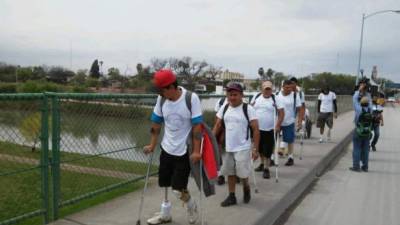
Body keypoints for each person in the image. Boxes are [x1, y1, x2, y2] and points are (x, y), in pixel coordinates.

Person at [144, 69, 202, 224]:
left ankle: (191, 206)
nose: (161, 94)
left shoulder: (191, 98)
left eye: (162, 90)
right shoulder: (161, 99)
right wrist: (152, 145)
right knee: (164, 184)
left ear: (171, 87)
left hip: (183, 151)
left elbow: (197, 127)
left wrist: (197, 151)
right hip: (166, 148)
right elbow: (156, 123)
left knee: (177, 188)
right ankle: (165, 214)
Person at [212, 82, 260, 207]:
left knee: (242, 174)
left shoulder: (248, 109)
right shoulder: (225, 107)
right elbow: (217, 125)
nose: (232, 97)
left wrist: (255, 148)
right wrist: (211, 140)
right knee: (230, 172)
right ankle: (232, 196)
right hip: (228, 147)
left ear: (241, 95)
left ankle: (246, 187)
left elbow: (255, 129)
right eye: (229, 94)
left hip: (243, 147)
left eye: (235, 95)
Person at [250, 81, 284, 179]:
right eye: (266, 89)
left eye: (269, 89)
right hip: (257, 129)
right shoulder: (256, 97)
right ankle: (261, 164)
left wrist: (278, 125)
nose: (267, 91)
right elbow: (250, 109)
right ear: (262, 89)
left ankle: (266, 168)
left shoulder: (275, 99)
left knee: (268, 150)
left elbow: (281, 113)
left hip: (270, 129)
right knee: (260, 148)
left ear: (271, 89)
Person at [276, 80, 302, 166]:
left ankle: (290, 157)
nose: (289, 89)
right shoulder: (277, 95)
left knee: (290, 140)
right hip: (277, 121)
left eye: (290, 87)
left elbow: (299, 109)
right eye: (287, 87)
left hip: (289, 121)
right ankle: (272, 157)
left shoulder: (295, 95)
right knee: (274, 139)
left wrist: (299, 121)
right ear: (282, 87)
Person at [350, 78, 372, 172]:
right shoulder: (369, 109)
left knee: (357, 148)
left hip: (359, 130)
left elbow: (354, 99)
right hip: (367, 131)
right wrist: (366, 93)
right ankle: (365, 166)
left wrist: (359, 90)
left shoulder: (359, 110)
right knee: (366, 149)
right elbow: (369, 101)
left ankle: (356, 166)